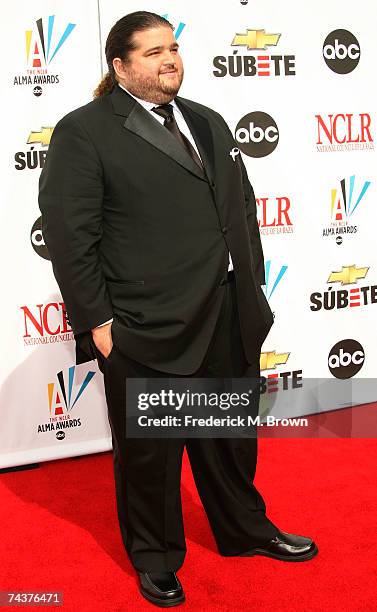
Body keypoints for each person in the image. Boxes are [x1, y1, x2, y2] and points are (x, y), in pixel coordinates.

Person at [39, 11, 318, 607]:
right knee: (151, 456)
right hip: (145, 325)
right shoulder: (84, 132)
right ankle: (157, 557)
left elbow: (241, 210)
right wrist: (100, 323)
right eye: (153, 52)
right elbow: (70, 237)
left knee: (230, 441)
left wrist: (253, 289)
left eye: (174, 48)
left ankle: (244, 529)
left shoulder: (208, 121)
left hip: (226, 314)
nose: (170, 60)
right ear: (120, 67)